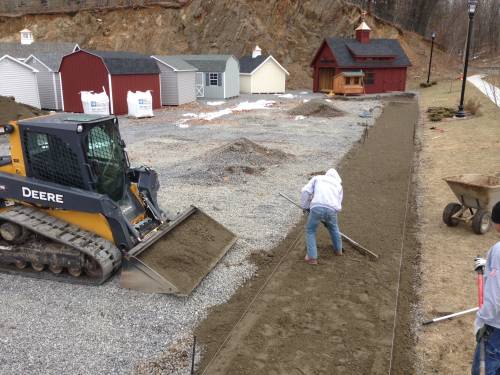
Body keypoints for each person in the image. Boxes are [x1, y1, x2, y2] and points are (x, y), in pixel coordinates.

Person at [472, 201, 500, 375]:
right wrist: (489, 268)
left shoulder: (498, 251)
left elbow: (494, 297)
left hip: (496, 328)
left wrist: (481, 321)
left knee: (485, 368)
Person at [300, 168, 343, 265]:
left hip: (317, 206)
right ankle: (338, 250)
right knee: (334, 228)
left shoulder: (318, 178)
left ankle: (312, 257)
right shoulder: (338, 185)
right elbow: (338, 204)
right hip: (332, 209)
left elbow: (305, 191)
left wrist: (305, 206)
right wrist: (329, 219)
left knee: (310, 230)